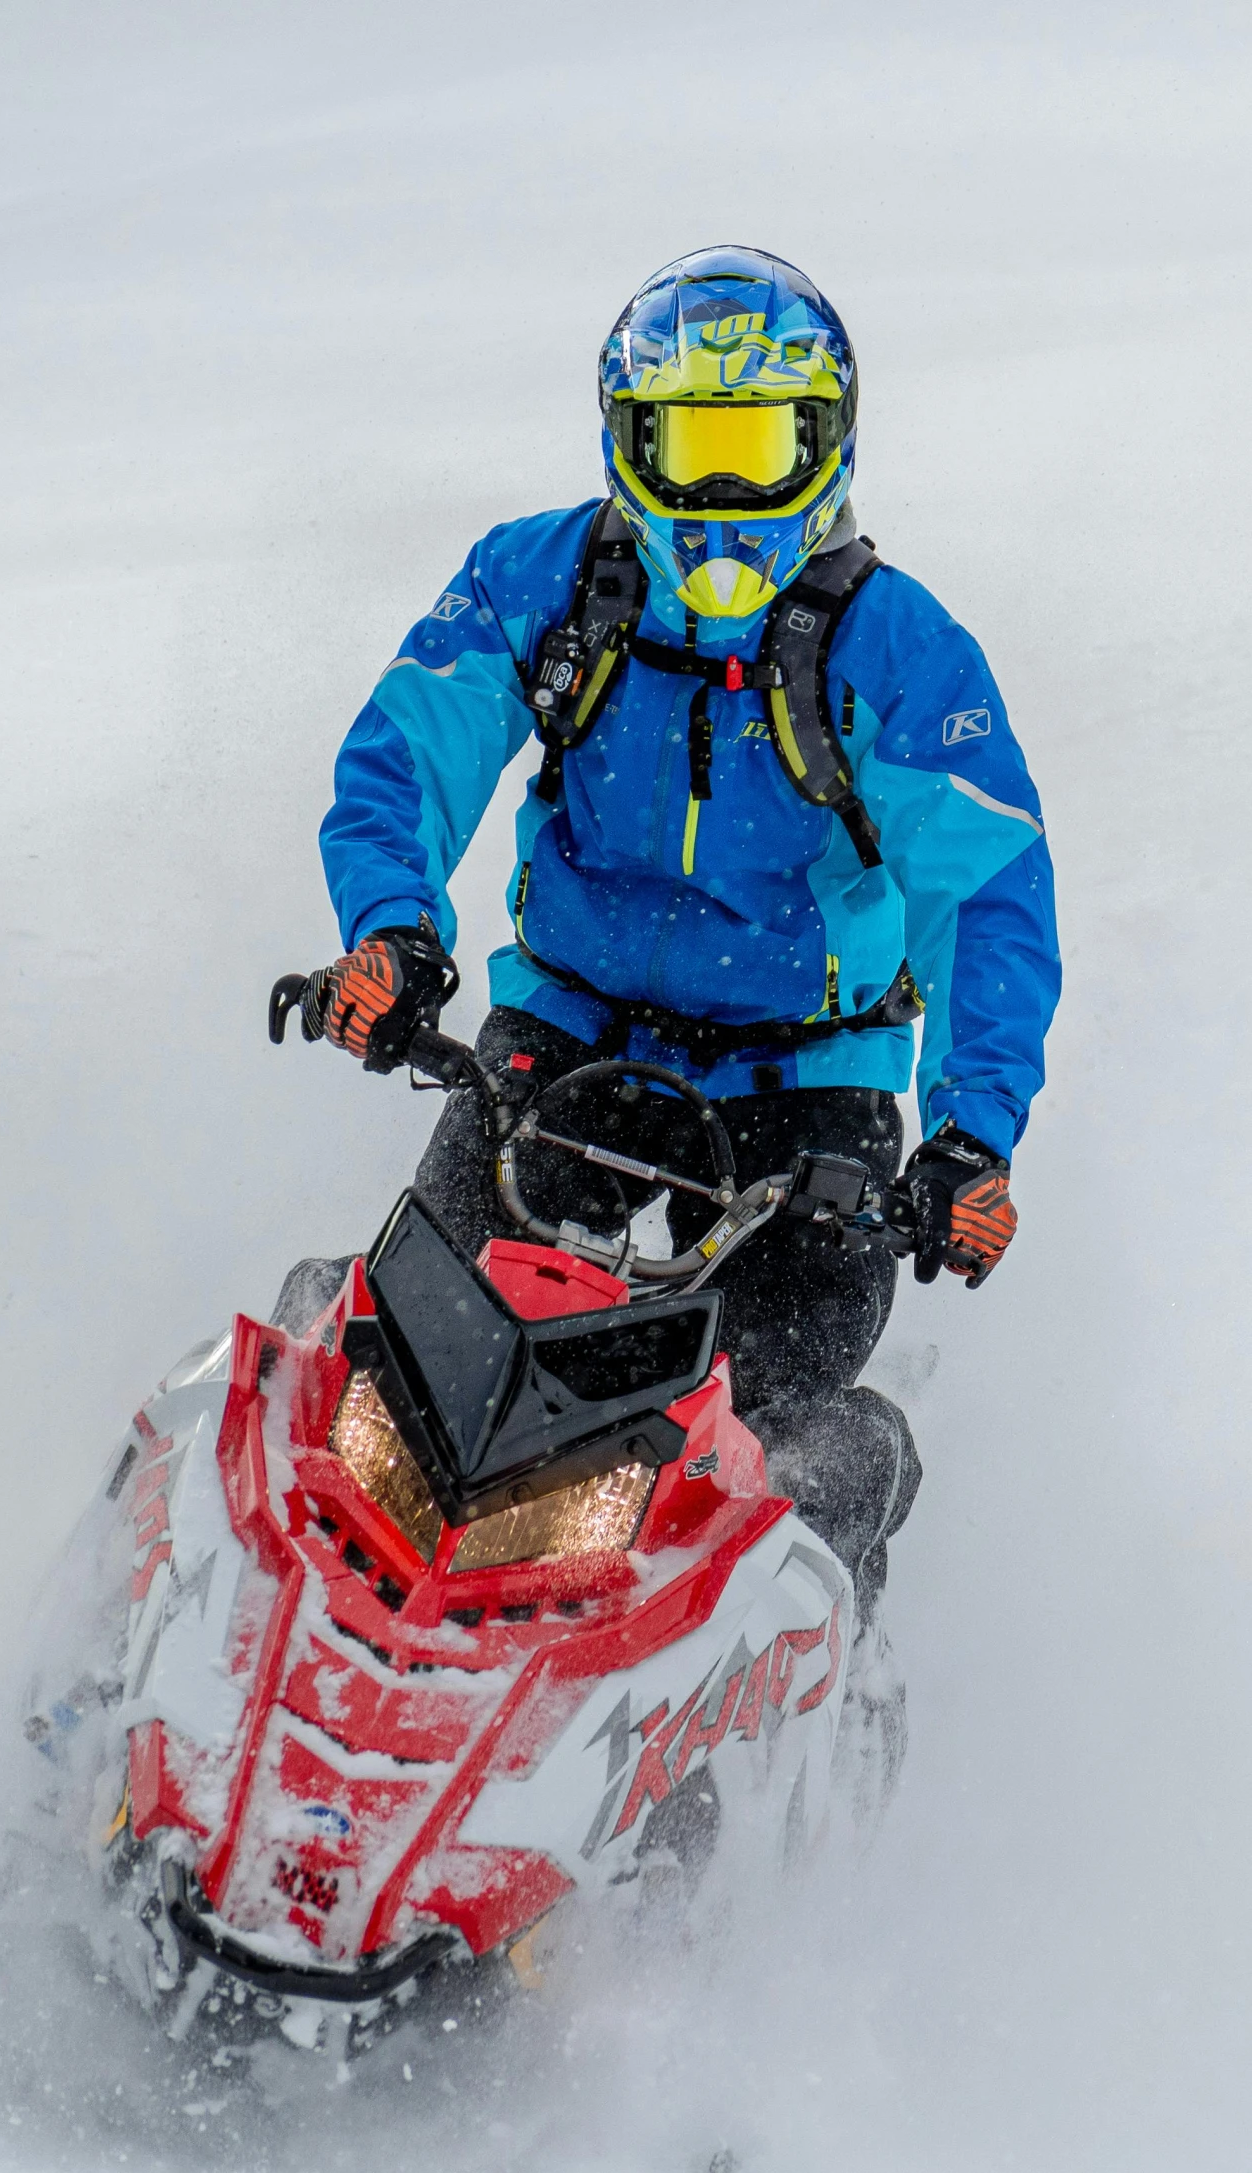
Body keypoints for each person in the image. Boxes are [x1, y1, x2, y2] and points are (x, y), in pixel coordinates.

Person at [297, 248, 1060, 1749]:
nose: (718, 501)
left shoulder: (896, 649)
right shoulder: (544, 578)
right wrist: (390, 934)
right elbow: (410, 747)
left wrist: (969, 1138)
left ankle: (772, 1783)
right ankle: (244, 1689)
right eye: (687, 453)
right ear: (622, 445)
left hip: (809, 1106)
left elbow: (986, 894)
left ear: (824, 445)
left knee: (745, 1455)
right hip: (558, 1049)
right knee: (384, 1360)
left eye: (757, 451)